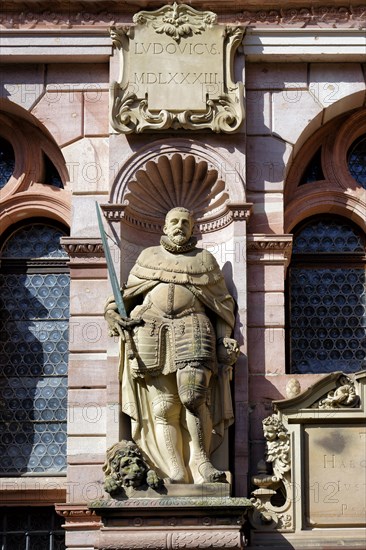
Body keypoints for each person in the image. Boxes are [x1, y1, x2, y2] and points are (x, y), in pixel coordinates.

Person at [105, 207, 239, 484]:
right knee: (164, 407)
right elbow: (126, 296)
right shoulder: (147, 257)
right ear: (164, 228)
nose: (180, 226)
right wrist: (112, 312)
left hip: (193, 326)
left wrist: (224, 337)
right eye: (174, 222)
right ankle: (175, 470)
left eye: (185, 222)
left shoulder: (204, 260)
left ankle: (201, 462)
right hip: (151, 329)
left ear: (193, 229)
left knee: (193, 397)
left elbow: (222, 305)